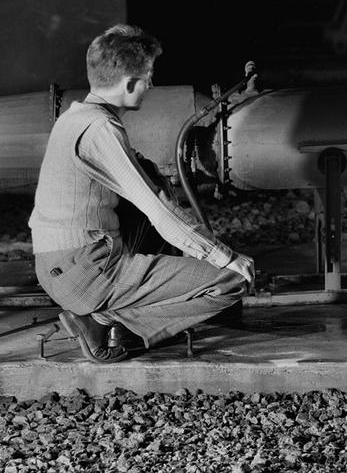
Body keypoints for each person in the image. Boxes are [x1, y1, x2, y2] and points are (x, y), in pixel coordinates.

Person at [29, 24, 253, 363]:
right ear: (129, 83)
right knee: (233, 282)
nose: (151, 84)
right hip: (88, 272)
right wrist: (225, 257)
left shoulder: (77, 115)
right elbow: (158, 209)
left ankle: (141, 303)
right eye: (148, 76)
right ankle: (106, 324)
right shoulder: (100, 128)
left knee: (148, 181)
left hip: (61, 265)